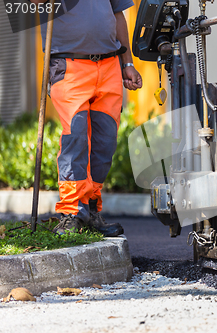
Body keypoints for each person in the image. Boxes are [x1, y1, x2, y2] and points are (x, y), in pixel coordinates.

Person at [31, 0, 143, 236]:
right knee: (76, 138)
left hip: (110, 65)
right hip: (69, 65)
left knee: (104, 144)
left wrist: (128, 63)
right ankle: (71, 211)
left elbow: (118, 15)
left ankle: (91, 209)